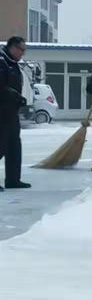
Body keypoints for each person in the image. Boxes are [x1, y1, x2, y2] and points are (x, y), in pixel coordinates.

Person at [0, 36, 31, 191]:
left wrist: (18, 100)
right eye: (21, 50)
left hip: (11, 111)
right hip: (1, 112)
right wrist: (15, 96)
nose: (22, 53)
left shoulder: (12, 64)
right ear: (12, 47)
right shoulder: (2, 62)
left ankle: (13, 180)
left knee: (14, 147)